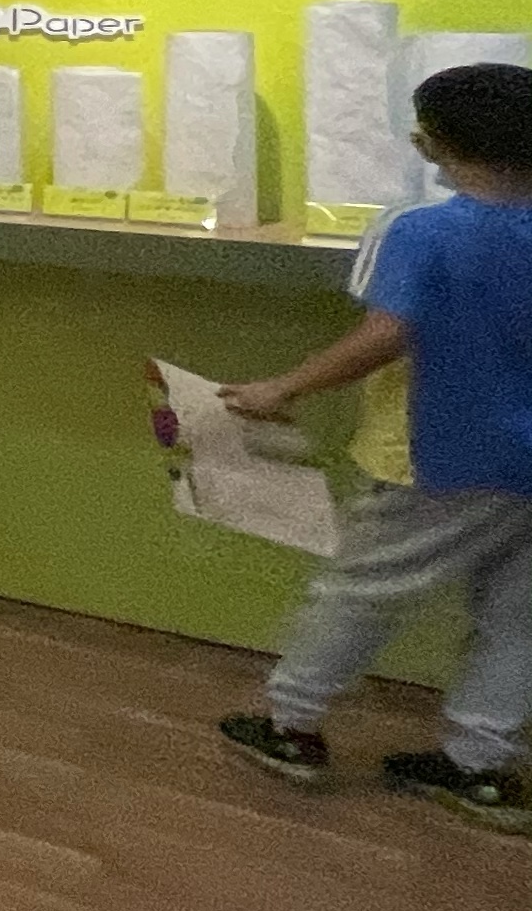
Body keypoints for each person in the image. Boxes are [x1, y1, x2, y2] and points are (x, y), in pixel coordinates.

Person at [218, 60, 532, 829]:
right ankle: (478, 765)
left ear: (430, 144)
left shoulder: (419, 230)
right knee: (518, 618)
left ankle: (291, 726)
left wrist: (282, 388)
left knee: (360, 592)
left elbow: (387, 334)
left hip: (434, 455)